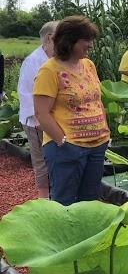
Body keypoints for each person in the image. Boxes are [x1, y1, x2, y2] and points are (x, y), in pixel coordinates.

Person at [33, 15, 110, 206]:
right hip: (67, 148)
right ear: (69, 41)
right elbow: (41, 113)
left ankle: (85, 236)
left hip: (96, 145)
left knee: (90, 201)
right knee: (64, 201)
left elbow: (97, 100)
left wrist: (105, 132)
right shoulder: (49, 70)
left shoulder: (88, 65)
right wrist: (62, 141)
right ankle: (65, 236)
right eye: (86, 39)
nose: (90, 44)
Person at [17, 21, 58, 199]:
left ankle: (56, 196)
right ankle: (44, 199)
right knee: (42, 161)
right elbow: (26, 94)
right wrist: (40, 121)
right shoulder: (33, 61)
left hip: (54, 119)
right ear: (50, 38)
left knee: (56, 159)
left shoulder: (54, 59)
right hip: (36, 121)